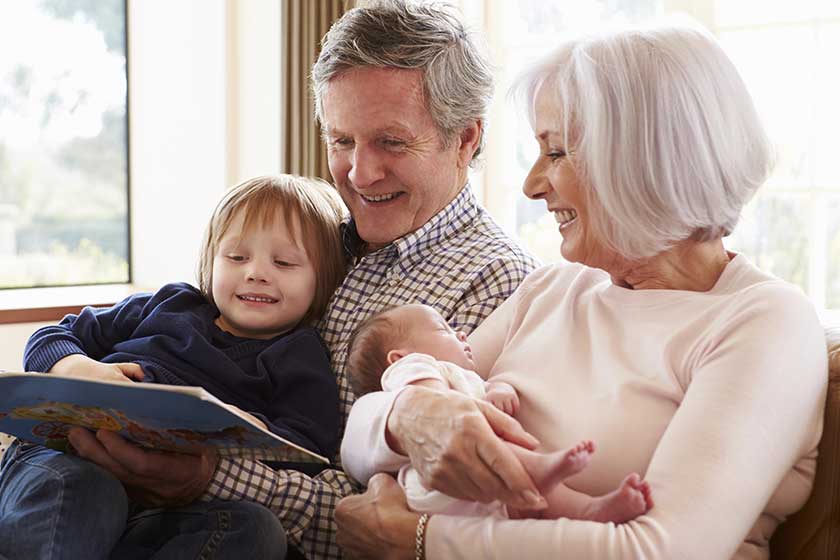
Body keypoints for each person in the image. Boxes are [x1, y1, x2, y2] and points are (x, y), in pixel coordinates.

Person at [40, 2, 538, 559]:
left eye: (391, 143)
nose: (359, 173)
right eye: (342, 140)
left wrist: (207, 480)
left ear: (466, 140)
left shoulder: (499, 285)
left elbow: (396, 522)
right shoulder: (312, 235)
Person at [335, 23, 828, 560]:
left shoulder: (763, 321)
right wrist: (406, 418)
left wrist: (419, 541)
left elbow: (659, 550)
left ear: (641, 159)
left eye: (556, 153)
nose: (531, 184)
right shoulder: (553, 288)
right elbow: (360, 438)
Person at [0, 174, 346, 559]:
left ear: (323, 280)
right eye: (236, 257)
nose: (256, 273)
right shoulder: (171, 304)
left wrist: (244, 430)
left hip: (169, 508)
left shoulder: (302, 357)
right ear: (211, 259)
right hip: (66, 458)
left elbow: (308, 450)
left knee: (256, 530)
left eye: (283, 262)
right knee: (91, 491)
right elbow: (55, 335)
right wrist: (75, 367)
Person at [347, 302, 654, 523]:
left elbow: (488, 386)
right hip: (436, 482)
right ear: (400, 357)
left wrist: (499, 389)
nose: (463, 334)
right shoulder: (415, 369)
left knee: (533, 501)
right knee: (497, 447)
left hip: (474, 504)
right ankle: (541, 467)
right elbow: (434, 409)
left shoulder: (462, 376)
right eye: (445, 329)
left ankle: (590, 510)